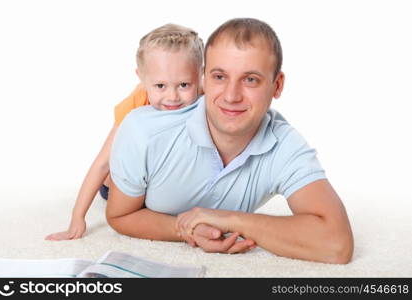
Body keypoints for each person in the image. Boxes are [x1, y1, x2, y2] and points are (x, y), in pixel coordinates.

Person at [106, 18, 354, 264]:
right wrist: (183, 229)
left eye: (250, 80)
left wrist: (230, 220)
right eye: (219, 77)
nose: (232, 96)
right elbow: (121, 214)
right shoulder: (143, 130)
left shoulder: (284, 144)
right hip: (117, 179)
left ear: (277, 85)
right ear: (203, 78)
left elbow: (337, 245)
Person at [45, 24, 205, 241]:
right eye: (160, 86)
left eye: (184, 84)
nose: (172, 96)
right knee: (118, 173)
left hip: (165, 177)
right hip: (122, 187)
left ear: (201, 75)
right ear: (141, 77)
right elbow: (103, 162)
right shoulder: (137, 103)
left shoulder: (207, 97)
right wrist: (77, 218)